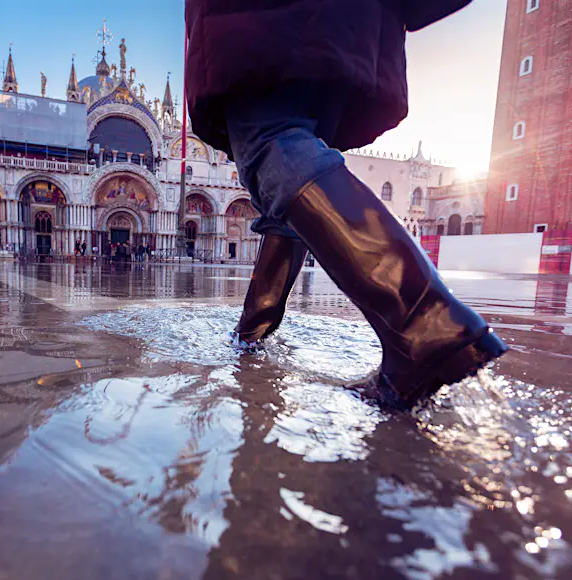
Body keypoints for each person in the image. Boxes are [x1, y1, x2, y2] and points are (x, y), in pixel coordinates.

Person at [185, 0, 506, 408]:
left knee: (270, 141)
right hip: (348, 24)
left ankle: (426, 324)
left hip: (266, 17)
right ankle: (251, 333)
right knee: (288, 178)